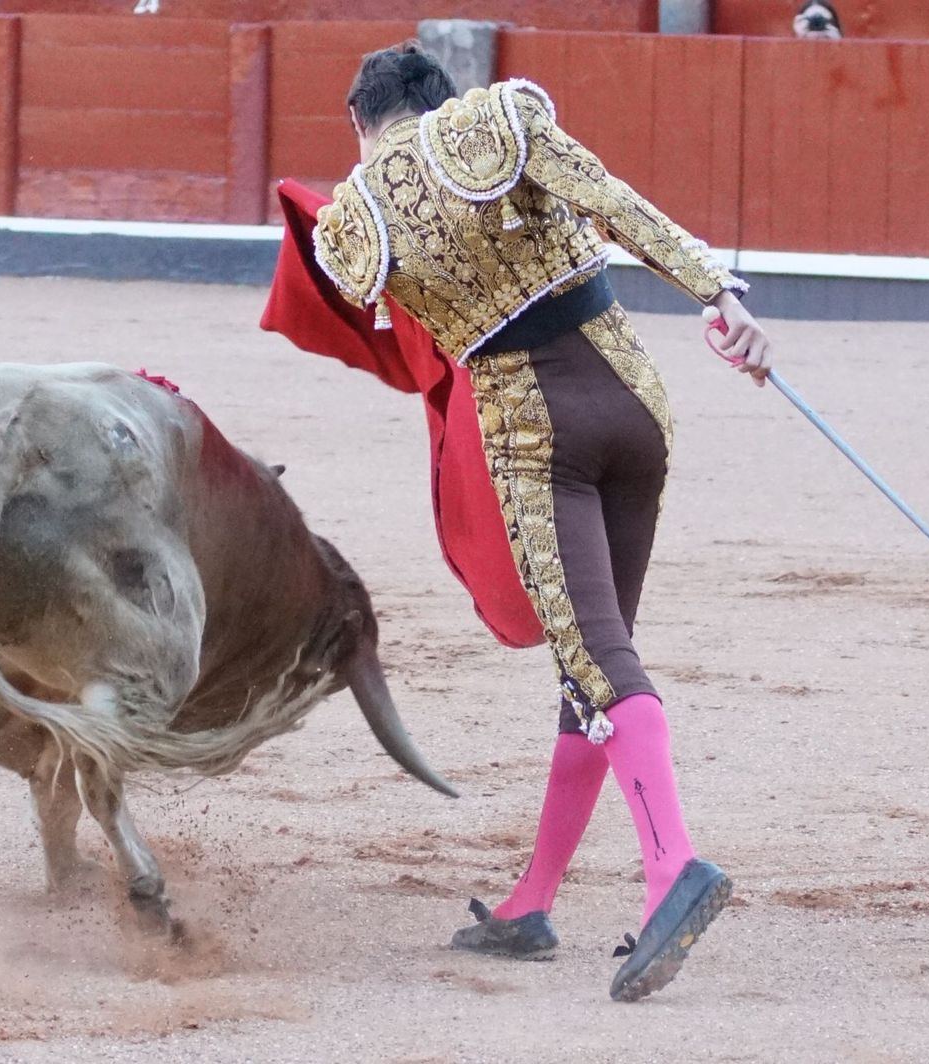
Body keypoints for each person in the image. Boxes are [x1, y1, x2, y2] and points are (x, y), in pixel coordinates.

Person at [265, 41, 775, 1002]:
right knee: (592, 660)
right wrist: (720, 294)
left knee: (601, 661)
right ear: (442, 100)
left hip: (538, 433)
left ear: (362, 122)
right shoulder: (500, 123)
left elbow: (394, 337)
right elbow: (614, 203)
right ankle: (530, 902)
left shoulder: (357, 217)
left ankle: (673, 870)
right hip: (633, 401)